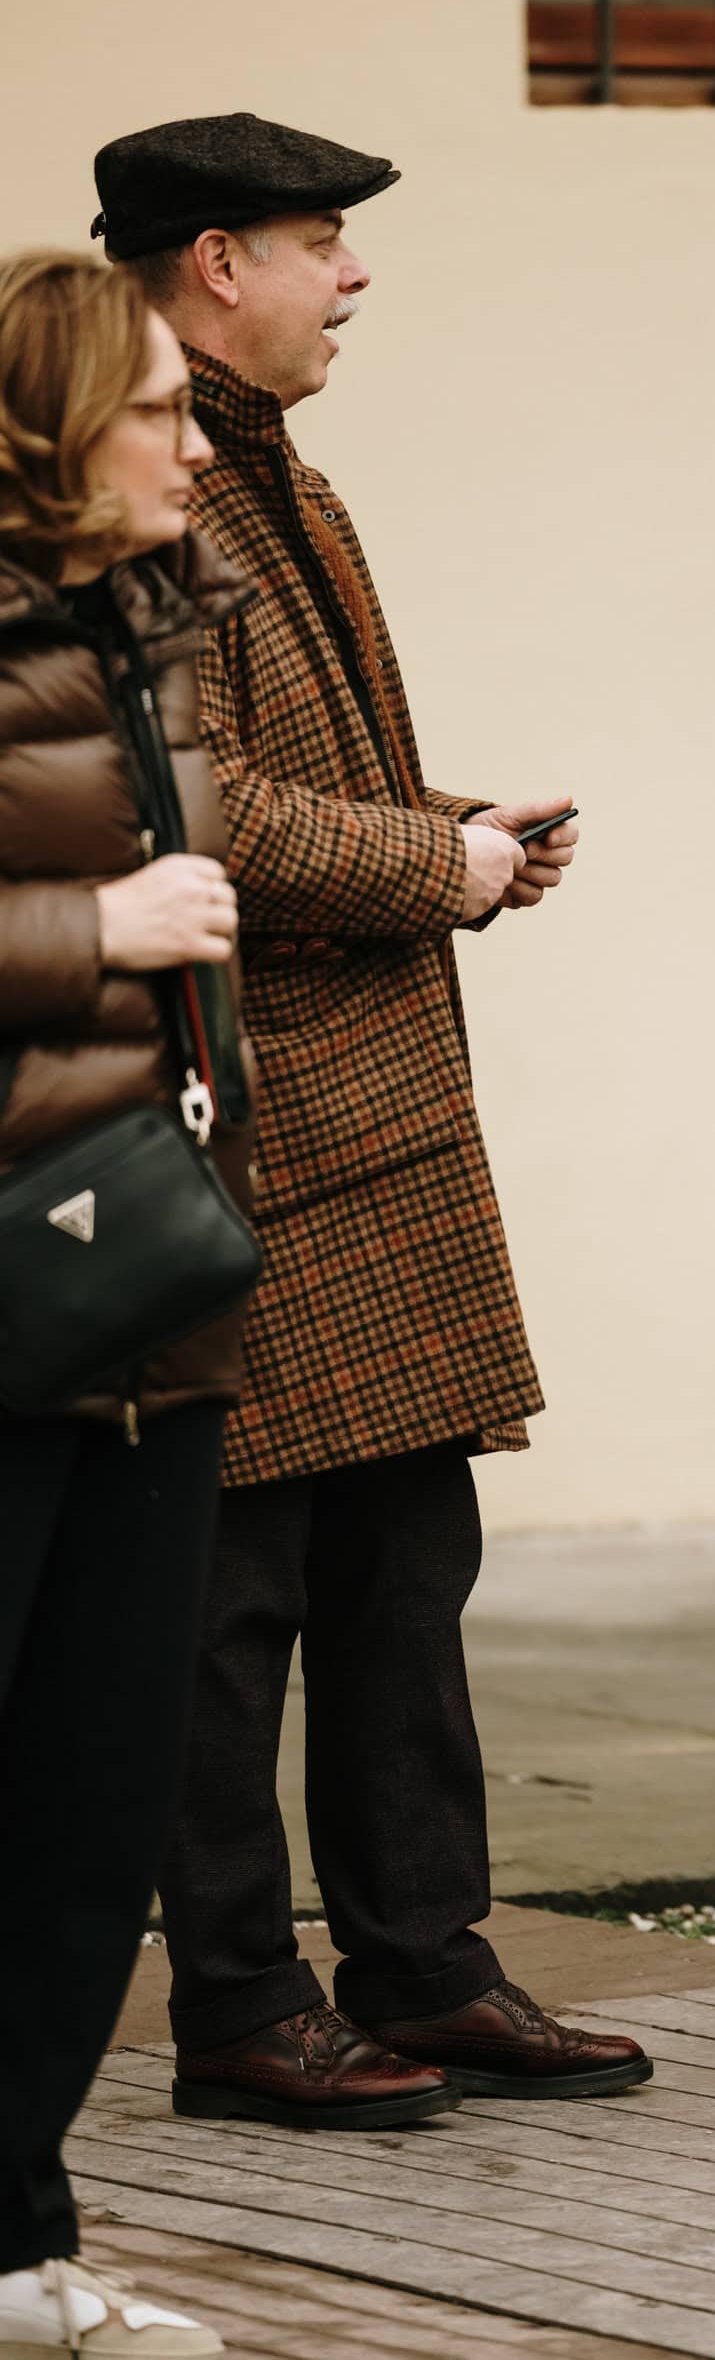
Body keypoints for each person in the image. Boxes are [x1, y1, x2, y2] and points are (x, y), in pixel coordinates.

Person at [89, 114, 647, 2126]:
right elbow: (195, 802)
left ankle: (428, 1959)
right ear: (211, 258)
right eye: (323, 240)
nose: (356, 275)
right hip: (236, 1125)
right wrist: (443, 866)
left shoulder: (281, 472)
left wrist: (449, 834)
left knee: (408, 1561)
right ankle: (241, 2001)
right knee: (231, 1596)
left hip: (370, 1121)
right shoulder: (128, 493)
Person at [0, 248, 257, 2354]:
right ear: (56, 430)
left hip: (149, 1288)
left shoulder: (159, 625)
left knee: (95, 1806)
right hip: (4, 1292)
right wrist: (93, 920)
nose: (196, 439)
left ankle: (15, 2234)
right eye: (161, 408)